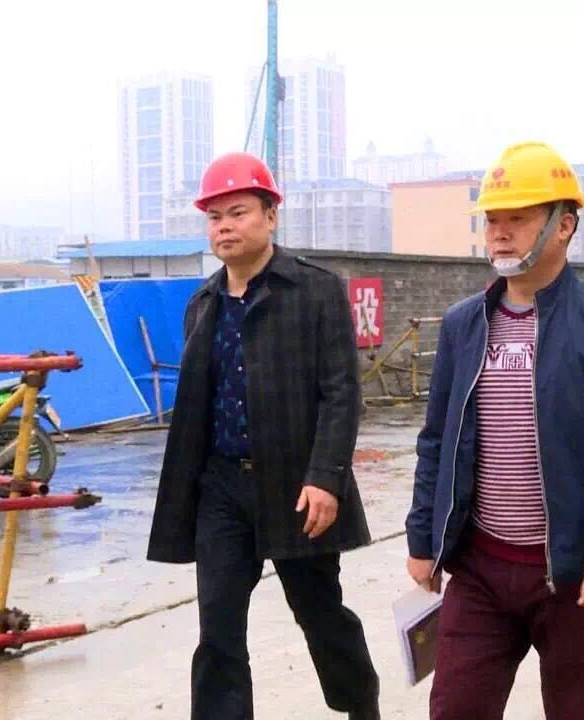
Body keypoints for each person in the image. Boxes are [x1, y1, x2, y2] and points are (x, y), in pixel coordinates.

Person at [405, 141, 584, 719]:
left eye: (518, 219)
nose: (500, 234)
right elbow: (436, 439)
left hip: (572, 574)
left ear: (564, 225)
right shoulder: (463, 325)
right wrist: (423, 539)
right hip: (479, 568)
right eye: (492, 221)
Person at [147, 151, 380, 720]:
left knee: (320, 614)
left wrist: (326, 478)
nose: (224, 227)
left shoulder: (315, 291)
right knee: (218, 629)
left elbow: (341, 392)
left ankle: (360, 707)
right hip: (222, 490)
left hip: (296, 486)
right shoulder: (203, 304)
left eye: (238, 213)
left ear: (270, 216)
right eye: (214, 217)